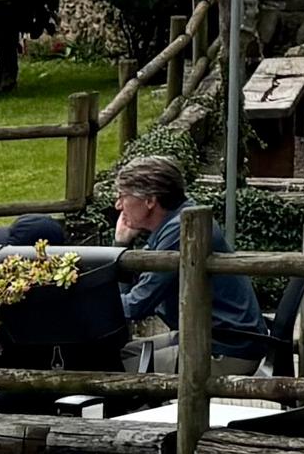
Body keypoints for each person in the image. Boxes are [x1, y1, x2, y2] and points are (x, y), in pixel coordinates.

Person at [110, 156, 264, 364]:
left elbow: (138, 304)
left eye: (122, 196)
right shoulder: (175, 224)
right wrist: (122, 244)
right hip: (214, 338)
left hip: (224, 348)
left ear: (149, 201)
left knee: (114, 371)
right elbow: (133, 295)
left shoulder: (181, 230)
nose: (118, 205)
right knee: (117, 358)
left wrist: (86, 308)